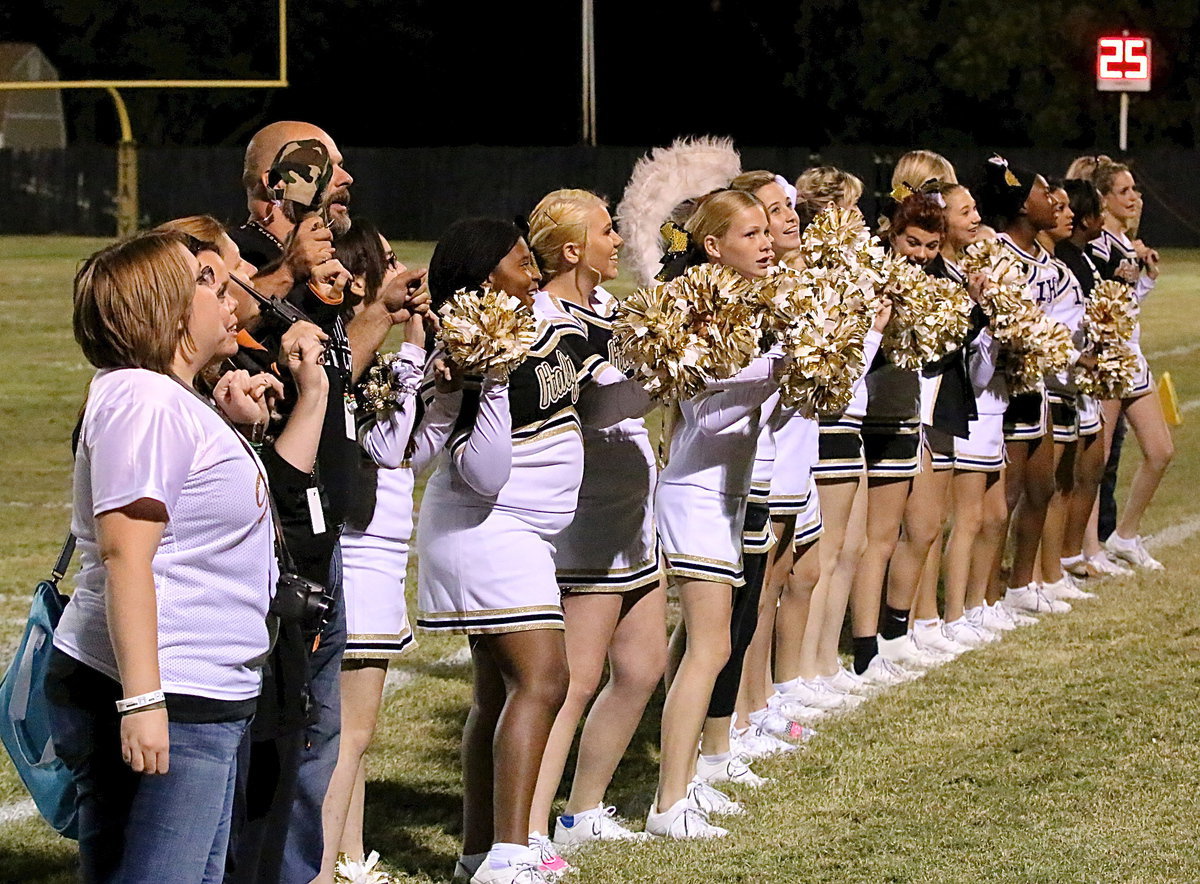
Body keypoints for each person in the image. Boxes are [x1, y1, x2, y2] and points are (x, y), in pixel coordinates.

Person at [415, 218, 648, 884]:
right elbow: (483, 470)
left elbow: (601, 404)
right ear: (490, 277)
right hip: (488, 526)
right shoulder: (467, 349)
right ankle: (511, 857)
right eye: (523, 263)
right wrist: (484, 379)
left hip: (519, 533)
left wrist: (670, 364)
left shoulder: (545, 332)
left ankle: (477, 853)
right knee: (546, 680)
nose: (535, 273)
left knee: (497, 696)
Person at [227, 120, 430, 884]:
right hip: (270, 540)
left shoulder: (317, 278)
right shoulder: (237, 261)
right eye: (324, 166)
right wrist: (282, 271)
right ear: (274, 185)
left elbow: (331, 381)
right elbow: (208, 320)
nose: (344, 178)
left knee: (314, 741)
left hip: (325, 536)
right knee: (274, 743)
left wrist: (377, 319)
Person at [47, 231, 281, 883]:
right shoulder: (143, 399)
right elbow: (127, 554)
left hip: (200, 684)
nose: (223, 292)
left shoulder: (165, 396)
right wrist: (143, 702)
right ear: (170, 310)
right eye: (204, 282)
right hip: (173, 689)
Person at [525, 190, 668, 856]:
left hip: (633, 513)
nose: (619, 241)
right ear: (573, 249)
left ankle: (580, 812)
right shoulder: (545, 319)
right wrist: (657, 376)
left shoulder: (611, 308)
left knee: (642, 666)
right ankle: (523, 831)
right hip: (585, 514)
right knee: (574, 682)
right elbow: (583, 407)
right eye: (607, 231)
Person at [648, 189, 787, 838]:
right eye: (751, 233)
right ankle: (669, 805)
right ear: (713, 246)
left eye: (767, 231)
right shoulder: (695, 303)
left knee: (698, 644)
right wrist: (776, 368)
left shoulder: (746, 300)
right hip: (695, 490)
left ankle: (693, 777)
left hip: (723, 488)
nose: (766, 243)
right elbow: (706, 411)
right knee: (710, 644)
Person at [315, 220, 448, 884]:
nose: (404, 272)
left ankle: (349, 855)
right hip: (358, 556)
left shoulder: (371, 361)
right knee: (349, 734)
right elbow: (387, 444)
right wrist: (416, 347)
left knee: (353, 736)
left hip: (380, 551)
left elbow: (407, 459)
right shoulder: (344, 361)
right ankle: (319, 867)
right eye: (389, 263)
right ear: (358, 280)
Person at [1077, 156, 1173, 571]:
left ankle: (1125, 534)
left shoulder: (1125, 245)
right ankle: (1088, 549)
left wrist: (1145, 276)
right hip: (1106, 360)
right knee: (1095, 461)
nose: (1135, 197)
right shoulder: (1097, 247)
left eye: (1135, 190)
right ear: (1103, 198)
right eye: (1124, 191)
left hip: (1131, 356)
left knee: (1161, 450)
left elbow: (1126, 305)